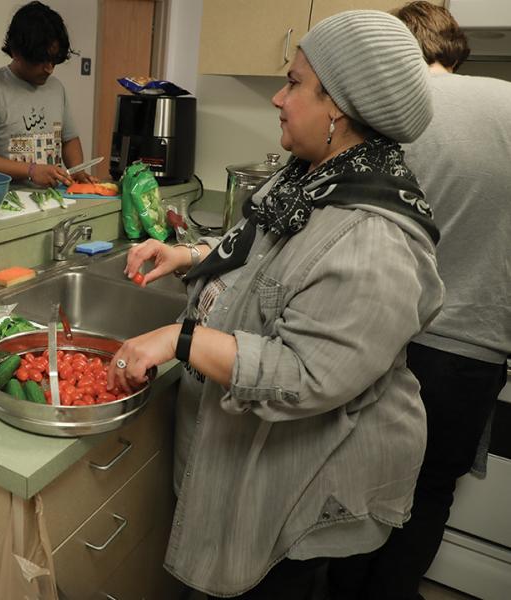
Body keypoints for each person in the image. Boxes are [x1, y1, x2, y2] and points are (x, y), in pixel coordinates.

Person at [106, 10, 443, 599]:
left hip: (302, 484)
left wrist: (181, 339)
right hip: (257, 457)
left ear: (337, 105)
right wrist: (189, 256)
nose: (278, 99)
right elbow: (269, 256)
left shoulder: (373, 236)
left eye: (293, 83)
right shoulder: (312, 179)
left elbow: (309, 374)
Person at [327, 4, 511, 599]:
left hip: (381, 332)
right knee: (430, 493)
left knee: (353, 486)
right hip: (474, 345)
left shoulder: (384, 114)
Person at [0, 1, 96, 188]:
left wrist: (78, 170)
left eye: (54, 60)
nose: (49, 69)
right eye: (40, 60)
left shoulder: (56, 88)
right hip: (6, 202)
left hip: (54, 200)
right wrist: (30, 170)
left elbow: (69, 139)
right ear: (16, 52)